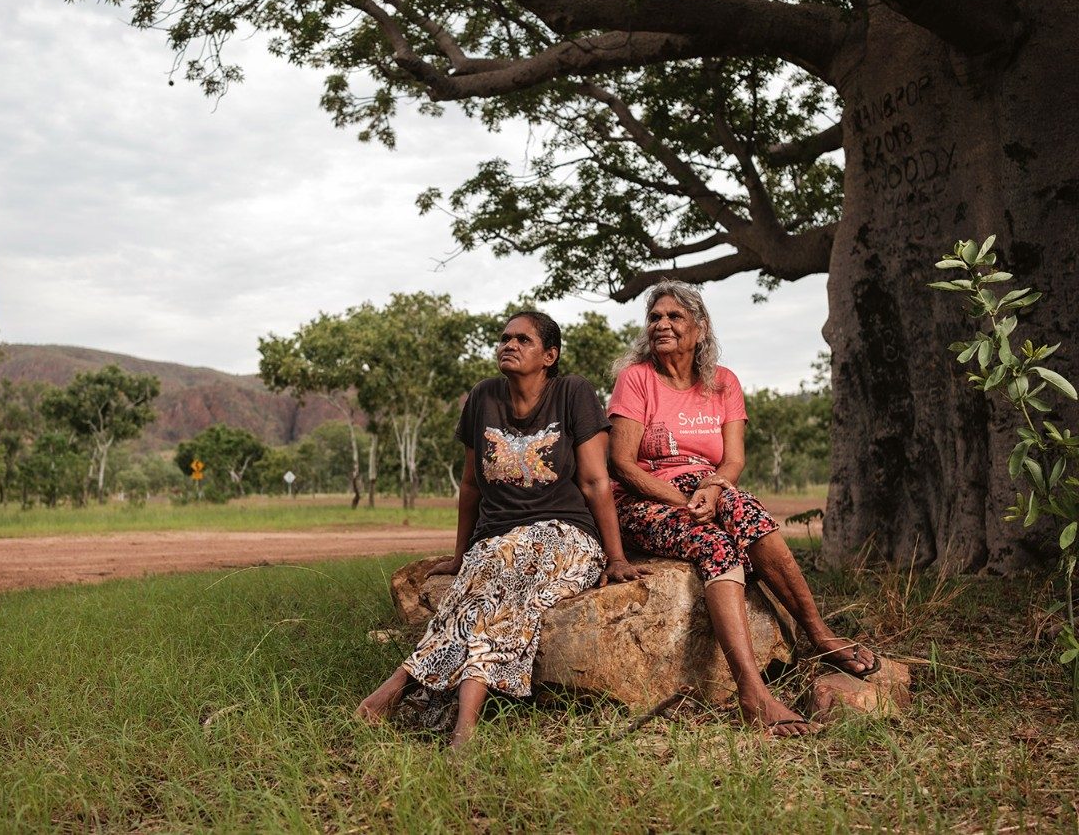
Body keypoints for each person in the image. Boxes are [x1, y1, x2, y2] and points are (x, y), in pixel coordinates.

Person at [355, 311, 648, 748]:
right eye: (505, 338)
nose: (508, 345)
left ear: (550, 355)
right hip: (495, 542)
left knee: (496, 571)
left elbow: (595, 481)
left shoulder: (573, 392)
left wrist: (617, 556)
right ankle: (464, 727)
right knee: (492, 587)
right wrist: (459, 556)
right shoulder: (483, 397)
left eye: (523, 340)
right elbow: (471, 484)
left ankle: (401, 684)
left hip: (565, 536)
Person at [607, 281, 879, 738]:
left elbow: (732, 460)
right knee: (716, 545)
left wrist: (711, 489)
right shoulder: (637, 379)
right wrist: (684, 500)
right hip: (645, 498)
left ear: (701, 327)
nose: (662, 324)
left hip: (710, 489)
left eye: (675, 316)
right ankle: (753, 693)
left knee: (741, 505)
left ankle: (818, 634)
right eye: (655, 317)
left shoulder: (723, 382)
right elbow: (621, 463)